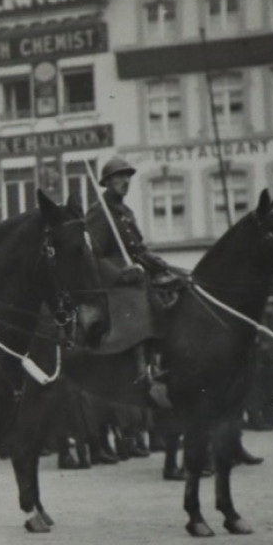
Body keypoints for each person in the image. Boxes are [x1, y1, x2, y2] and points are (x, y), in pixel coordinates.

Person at [86, 155, 174, 408]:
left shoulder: (125, 212)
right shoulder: (100, 213)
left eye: (128, 176)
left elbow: (138, 248)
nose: (126, 181)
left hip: (137, 274)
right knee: (139, 302)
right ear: (107, 182)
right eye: (120, 177)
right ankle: (142, 370)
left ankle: (162, 359)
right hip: (117, 283)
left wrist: (156, 262)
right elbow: (93, 253)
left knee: (176, 287)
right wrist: (119, 273)